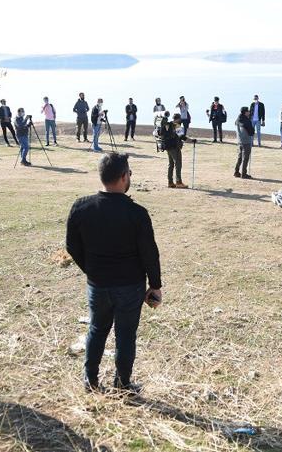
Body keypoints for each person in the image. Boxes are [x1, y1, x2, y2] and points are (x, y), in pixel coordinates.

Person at [66, 152, 162, 394]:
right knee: (126, 335)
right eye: (129, 173)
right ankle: (122, 385)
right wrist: (155, 284)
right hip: (130, 287)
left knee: (97, 329)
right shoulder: (137, 213)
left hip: (97, 285)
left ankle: (90, 380)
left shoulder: (81, 207)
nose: (130, 177)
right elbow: (149, 253)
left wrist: (91, 270)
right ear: (122, 177)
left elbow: (71, 246)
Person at [162, 113, 188, 188]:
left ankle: (170, 182)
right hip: (175, 148)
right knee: (178, 164)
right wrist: (192, 140)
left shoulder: (168, 125)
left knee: (171, 165)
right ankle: (178, 182)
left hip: (168, 147)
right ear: (178, 119)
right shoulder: (177, 126)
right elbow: (182, 137)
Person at [235, 107, 255, 179]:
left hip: (239, 141)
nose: (249, 112)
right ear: (245, 112)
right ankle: (244, 174)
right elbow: (251, 132)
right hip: (246, 141)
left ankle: (236, 172)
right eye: (248, 111)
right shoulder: (247, 121)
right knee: (245, 158)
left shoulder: (238, 119)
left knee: (240, 157)